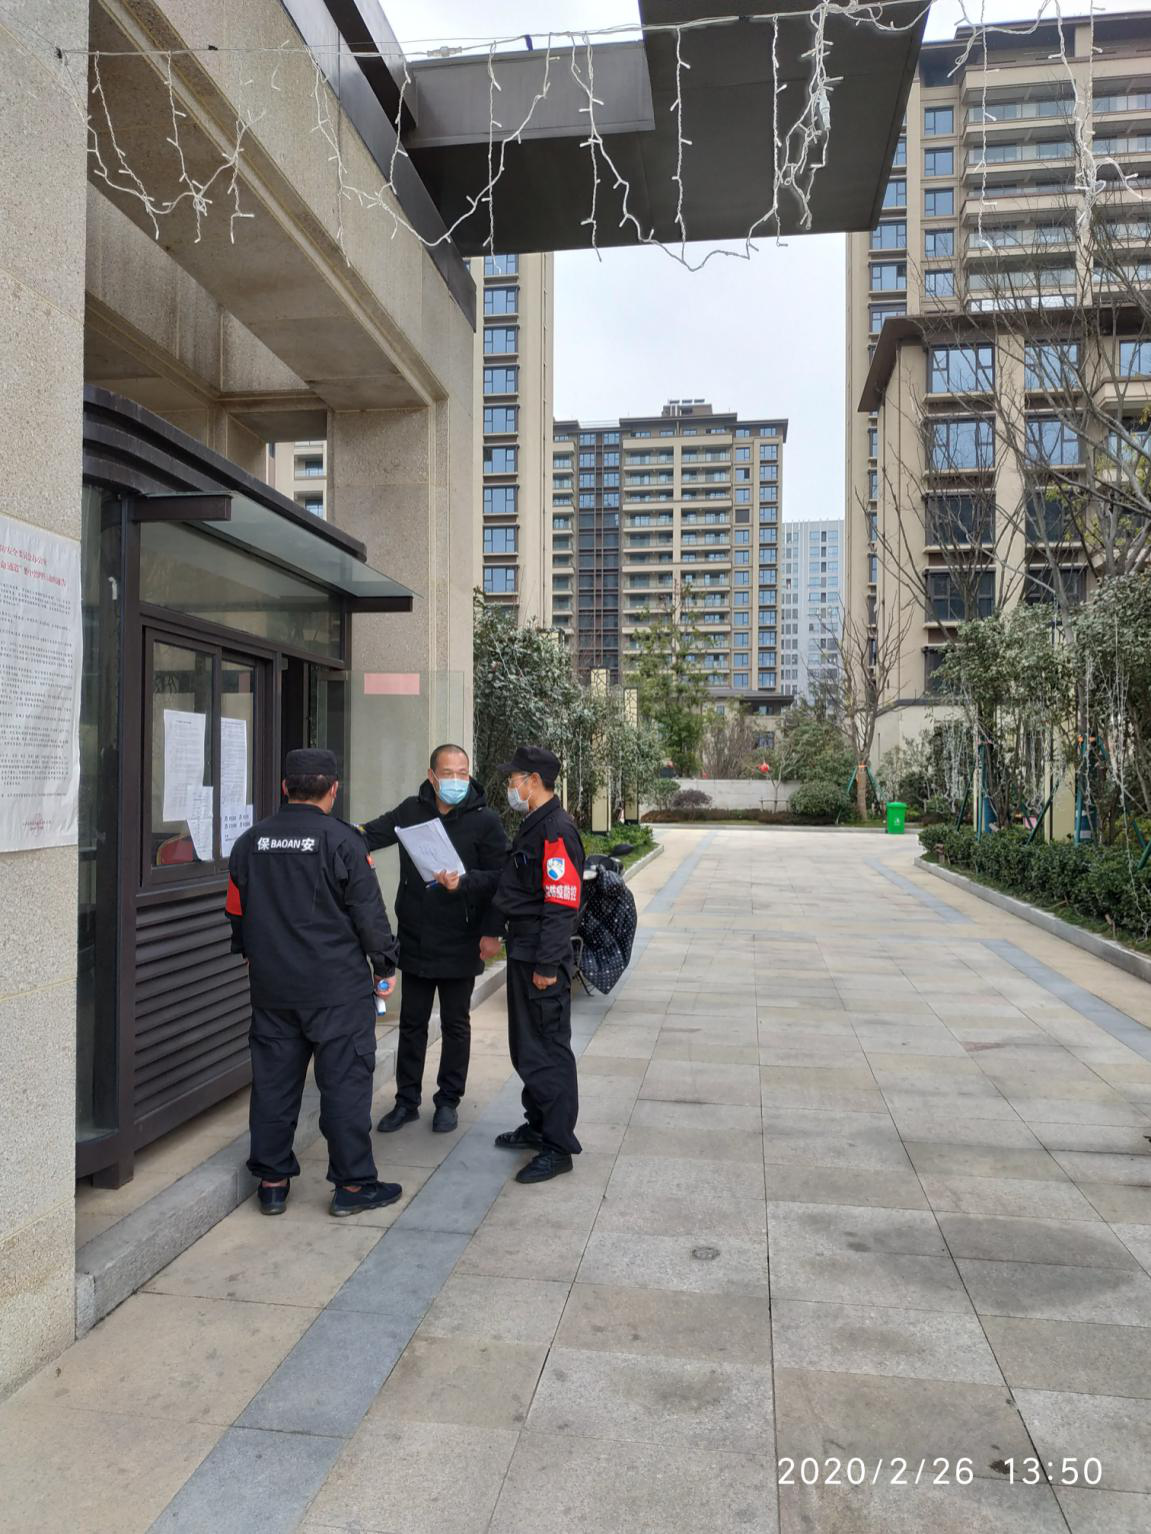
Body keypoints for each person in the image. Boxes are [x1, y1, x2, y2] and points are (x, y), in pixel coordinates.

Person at [226, 748, 402, 1218]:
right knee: (344, 1085)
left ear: (285, 787)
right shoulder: (344, 841)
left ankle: (272, 1183)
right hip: (336, 991)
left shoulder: (249, 843)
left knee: (273, 1085)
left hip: (273, 989)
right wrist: (384, 966)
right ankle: (353, 1185)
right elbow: (369, 915)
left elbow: (236, 911)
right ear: (334, 790)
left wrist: (249, 952)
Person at [361, 744, 509, 1136]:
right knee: (412, 1023)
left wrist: (490, 927)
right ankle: (406, 1101)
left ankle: (448, 1101)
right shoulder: (411, 811)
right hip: (417, 936)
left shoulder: (486, 820)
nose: (456, 780)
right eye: (448, 773)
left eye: (462, 773)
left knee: (456, 1024)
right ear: (432, 776)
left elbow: (502, 878)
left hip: (462, 936)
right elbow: (370, 834)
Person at [476, 745, 585, 1184]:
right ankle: (538, 1124)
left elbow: (562, 904)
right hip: (524, 949)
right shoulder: (534, 824)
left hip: (541, 955)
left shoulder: (556, 830)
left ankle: (558, 1146)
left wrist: (547, 964)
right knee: (527, 1048)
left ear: (533, 781)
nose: (510, 786)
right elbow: (514, 885)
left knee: (546, 1052)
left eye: (513, 779)